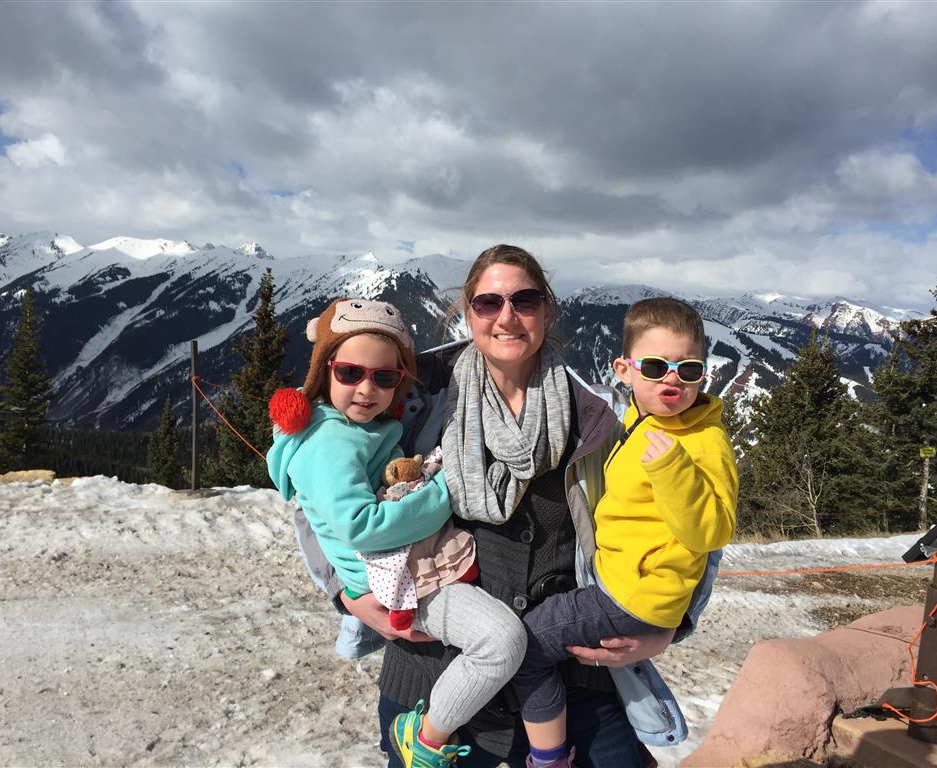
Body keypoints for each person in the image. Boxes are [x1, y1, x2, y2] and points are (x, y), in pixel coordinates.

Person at [295, 245, 725, 768]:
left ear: (547, 309)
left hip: (567, 671)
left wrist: (668, 625)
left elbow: (691, 522)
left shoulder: (596, 415)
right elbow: (316, 484)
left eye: (524, 300)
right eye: (488, 302)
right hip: (437, 673)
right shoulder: (414, 392)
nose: (507, 316)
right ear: (468, 310)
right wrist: (349, 592)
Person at [266, 297, 527, 768]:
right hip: (398, 580)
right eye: (351, 373)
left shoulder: (356, 426)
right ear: (324, 371)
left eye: (384, 378)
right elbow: (358, 525)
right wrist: (446, 488)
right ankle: (425, 740)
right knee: (501, 640)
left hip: (405, 571)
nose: (367, 389)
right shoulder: (330, 440)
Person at [511, 297, 738, 767]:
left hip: (632, 593)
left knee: (524, 646)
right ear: (624, 371)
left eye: (688, 370)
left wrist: (674, 472)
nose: (672, 379)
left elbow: (714, 534)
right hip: (620, 583)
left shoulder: (703, 441)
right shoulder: (639, 420)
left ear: (703, 375)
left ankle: (549, 757)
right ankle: (632, 747)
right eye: (655, 367)